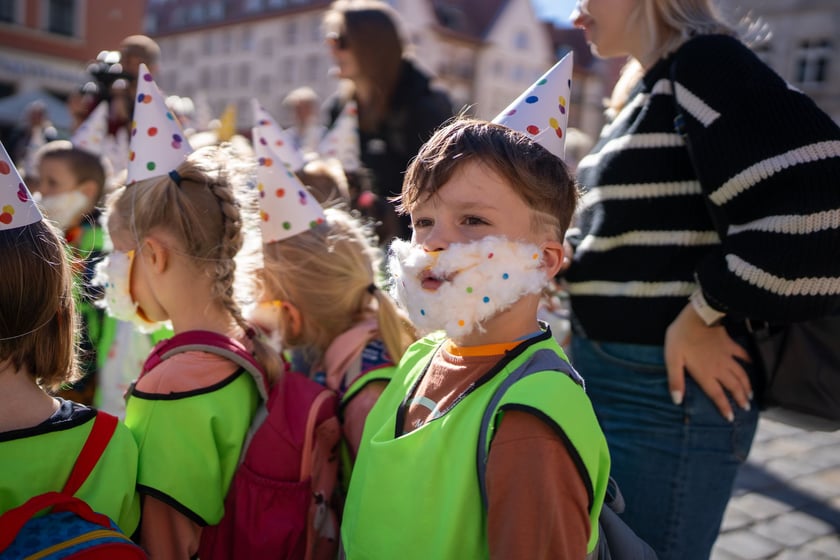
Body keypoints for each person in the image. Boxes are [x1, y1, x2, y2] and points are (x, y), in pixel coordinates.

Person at [566, 1, 840, 559]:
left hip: (664, 401)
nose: (575, 14)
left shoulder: (705, 63)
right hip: (614, 384)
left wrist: (704, 312)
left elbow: (823, 204)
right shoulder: (646, 90)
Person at [340, 117, 611, 558]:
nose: (434, 242)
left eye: (472, 219)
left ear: (543, 260)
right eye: (423, 220)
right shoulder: (421, 356)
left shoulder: (531, 419)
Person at [98, 142, 283, 557]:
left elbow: (164, 545)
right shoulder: (250, 343)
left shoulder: (170, 386)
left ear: (153, 255)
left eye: (117, 253)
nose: (109, 269)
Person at [0, 141, 140, 536]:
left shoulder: (94, 241)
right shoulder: (110, 445)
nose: (45, 190)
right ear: (61, 307)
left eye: (52, 181)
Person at [322, 0, 454, 241]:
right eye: (330, 41)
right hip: (358, 239)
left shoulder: (423, 106)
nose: (331, 50)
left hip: (418, 242)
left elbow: (443, 187)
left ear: (372, 46)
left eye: (339, 41)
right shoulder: (339, 109)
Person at [36, 140, 110, 406]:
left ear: (87, 191)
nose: (41, 191)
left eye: (52, 183)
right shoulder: (48, 236)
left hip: (91, 376)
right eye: (40, 181)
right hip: (48, 372)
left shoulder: (104, 245)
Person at [283, 86, 327, 155]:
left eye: (305, 108)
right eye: (297, 109)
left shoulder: (324, 134)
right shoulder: (286, 136)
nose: (300, 113)